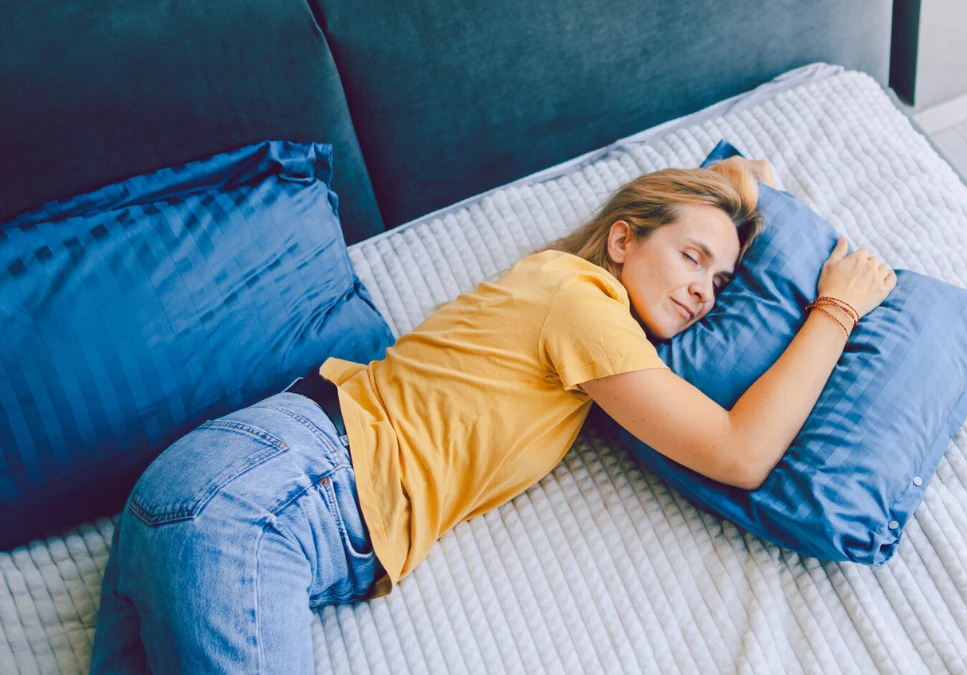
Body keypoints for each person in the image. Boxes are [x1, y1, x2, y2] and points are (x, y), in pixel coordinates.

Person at [89, 156, 896, 673]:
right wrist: (835, 310)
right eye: (692, 258)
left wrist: (741, 196)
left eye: (720, 282)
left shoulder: (560, 304)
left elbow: (742, 173)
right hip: (272, 496)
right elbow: (738, 452)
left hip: (235, 484)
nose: (703, 292)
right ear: (622, 240)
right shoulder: (582, 303)